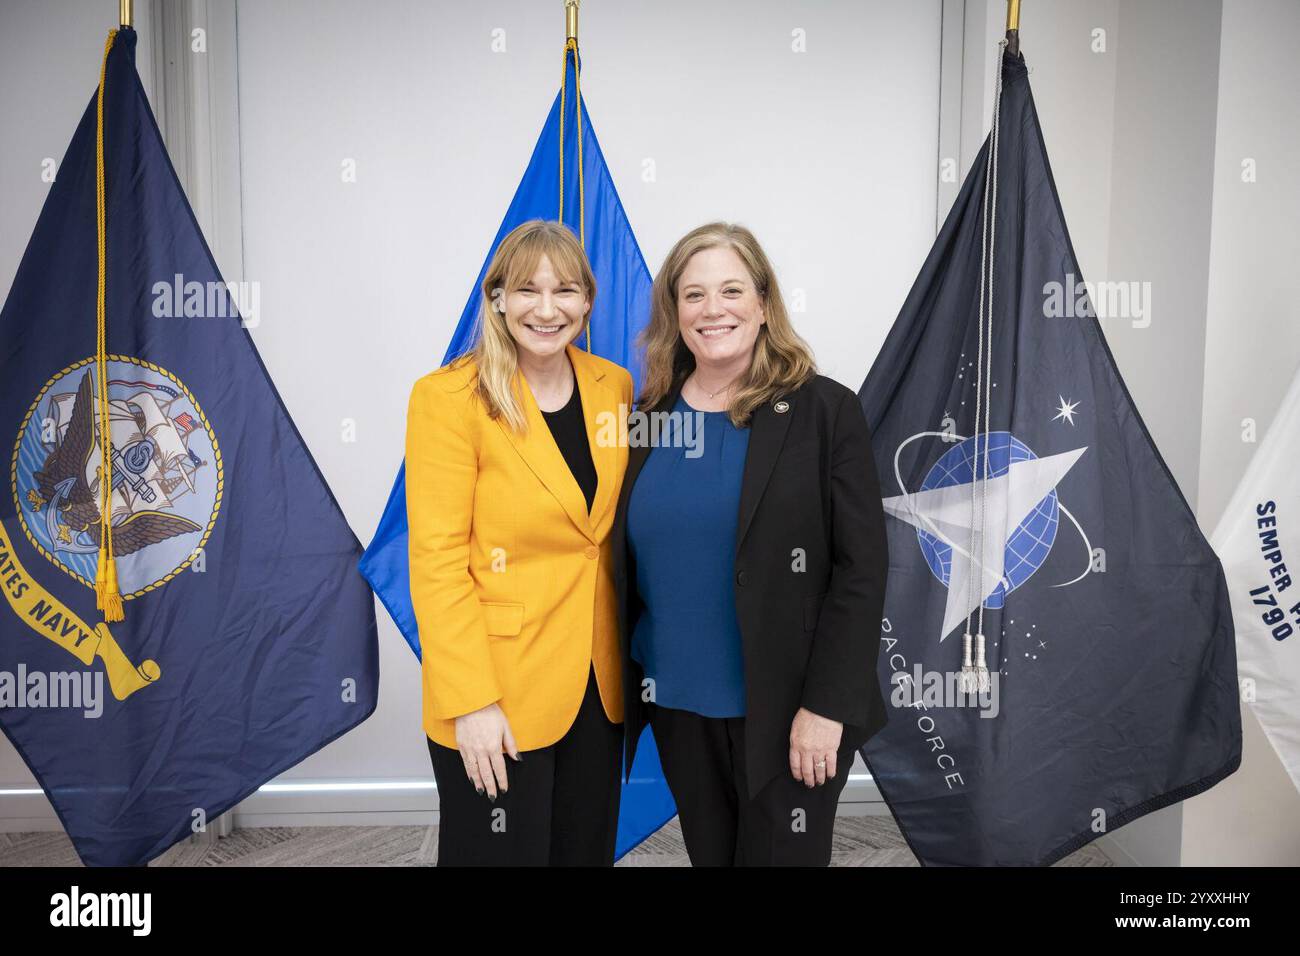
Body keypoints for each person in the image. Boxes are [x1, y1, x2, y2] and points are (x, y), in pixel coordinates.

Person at [612, 221, 891, 866]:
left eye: (732, 290)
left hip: (791, 710)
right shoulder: (647, 417)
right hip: (678, 701)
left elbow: (862, 568)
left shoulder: (824, 412)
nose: (714, 310)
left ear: (764, 305)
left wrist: (827, 706)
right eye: (694, 295)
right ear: (674, 313)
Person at [406, 219, 634, 865]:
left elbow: (604, 537)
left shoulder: (612, 387)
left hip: (597, 683)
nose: (546, 308)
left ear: (587, 301)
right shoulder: (447, 398)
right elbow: (437, 562)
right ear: (497, 297)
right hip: (496, 691)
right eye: (526, 289)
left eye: (565, 290)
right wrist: (472, 701)